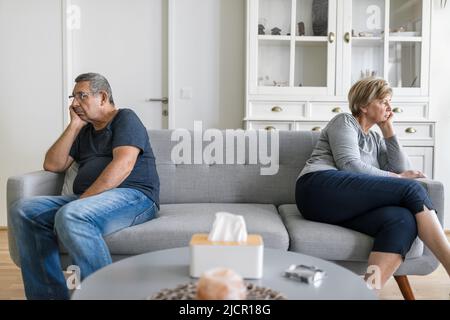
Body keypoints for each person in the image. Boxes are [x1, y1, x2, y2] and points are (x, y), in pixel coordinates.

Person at [10, 73, 160, 299]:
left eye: (82, 96)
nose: (74, 103)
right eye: (73, 97)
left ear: (102, 97)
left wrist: (81, 203)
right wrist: (74, 126)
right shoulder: (84, 132)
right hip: (90, 199)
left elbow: (123, 166)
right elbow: (53, 164)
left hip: (134, 196)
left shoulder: (125, 118)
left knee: (73, 214)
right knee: (24, 209)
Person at [295, 77, 450, 290]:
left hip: (344, 205)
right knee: (411, 189)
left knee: (402, 220)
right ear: (363, 106)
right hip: (316, 188)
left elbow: (399, 168)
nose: (389, 106)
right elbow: (349, 165)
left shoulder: (376, 140)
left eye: (389, 101)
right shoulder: (344, 122)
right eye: (383, 101)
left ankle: (365, 292)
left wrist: (388, 129)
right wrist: (400, 178)